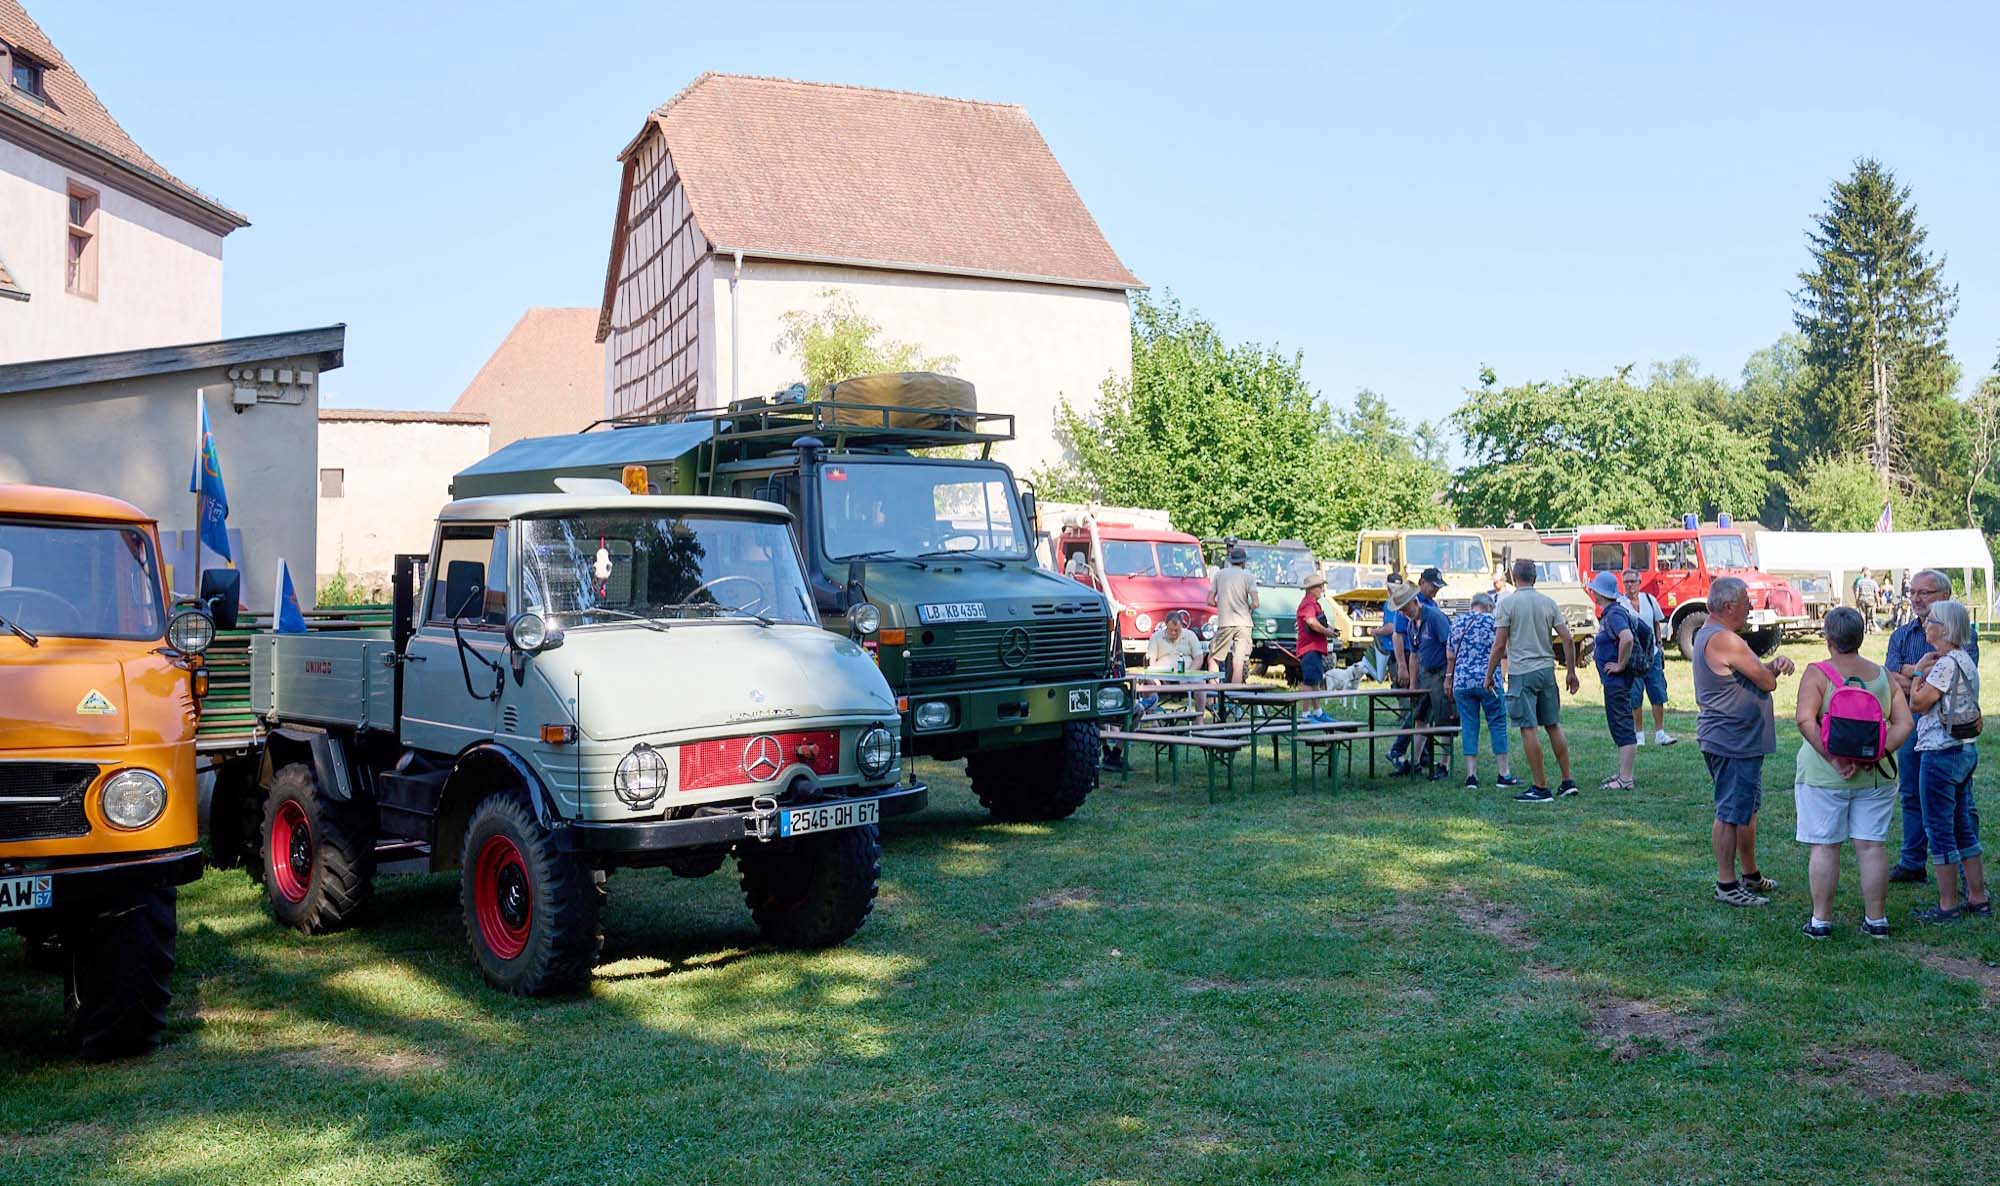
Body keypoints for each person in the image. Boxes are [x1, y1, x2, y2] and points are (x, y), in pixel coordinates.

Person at [1793, 607, 1914, 939]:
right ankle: (1876, 920)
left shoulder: (1817, 673)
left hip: (1823, 775)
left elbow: (1805, 719)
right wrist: (1874, 755)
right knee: (1872, 846)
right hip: (1875, 777)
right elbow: (1905, 723)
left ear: (1828, 638)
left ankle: (1820, 921)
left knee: (1825, 846)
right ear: (1860, 636)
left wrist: (1834, 759)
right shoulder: (1883, 676)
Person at [1695, 576, 1795, 907]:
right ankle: (1726, 884)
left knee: (1746, 810)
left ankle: (1749, 874)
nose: (1751, 607)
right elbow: (1765, 681)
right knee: (1729, 813)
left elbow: (1752, 674)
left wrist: (1771, 666)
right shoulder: (1725, 639)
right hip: (1732, 741)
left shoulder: (1715, 635)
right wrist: (1772, 672)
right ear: (1728, 607)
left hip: (1736, 739)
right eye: (1745, 602)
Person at [1883, 569, 1979, 884]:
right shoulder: (1902, 634)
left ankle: (1957, 887)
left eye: (1925, 592)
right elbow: (1889, 679)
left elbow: (1936, 688)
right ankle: (1912, 862)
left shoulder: (1962, 634)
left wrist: (1913, 676)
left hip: (1946, 736)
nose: (1916, 598)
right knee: (1912, 794)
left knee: (1956, 807)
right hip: (1913, 729)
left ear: (1945, 596)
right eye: (1912, 592)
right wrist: (1916, 673)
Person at [1905, 598, 1988, 923]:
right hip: (1964, 749)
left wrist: (1917, 673)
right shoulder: (1965, 659)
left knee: (1939, 828)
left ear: (1945, 627)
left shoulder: (1943, 665)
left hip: (1941, 753)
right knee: (1962, 826)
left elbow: (1918, 703)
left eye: (1931, 620)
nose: (1926, 624)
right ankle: (1978, 899)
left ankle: (1947, 905)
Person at [1486, 558, 1581, 803]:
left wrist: (1489, 676)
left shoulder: (1508, 604)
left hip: (1521, 672)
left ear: (1513, 577)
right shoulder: (1548, 603)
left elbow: (1498, 646)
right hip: (1546, 670)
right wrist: (1571, 671)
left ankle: (1540, 787)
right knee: (1553, 724)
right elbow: (1568, 639)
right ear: (1535, 578)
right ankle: (1567, 780)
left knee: (1528, 728)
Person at [1446, 590, 1516, 789]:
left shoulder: (1457, 623)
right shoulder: (1493, 622)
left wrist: (1449, 679)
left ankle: (1471, 775)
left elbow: (1450, 655)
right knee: (1497, 723)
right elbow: (1503, 649)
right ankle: (1503, 773)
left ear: (1472, 605)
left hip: (1462, 682)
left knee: (1469, 725)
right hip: (1489, 681)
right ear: (1488, 607)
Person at [1387, 582, 1452, 780]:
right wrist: (1413, 686)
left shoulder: (1434, 618)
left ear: (1415, 602)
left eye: (1406, 608)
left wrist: (1449, 677)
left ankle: (1444, 764)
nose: (1405, 613)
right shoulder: (1409, 624)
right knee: (1419, 718)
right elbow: (1414, 656)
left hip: (1441, 672)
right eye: (1401, 610)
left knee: (1444, 719)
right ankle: (1414, 762)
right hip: (1426, 674)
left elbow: (1450, 648)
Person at [1586, 572, 1639, 790]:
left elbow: (1627, 638)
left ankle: (1626, 778)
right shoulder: (1611, 613)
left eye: (1594, 589)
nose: (1592, 592)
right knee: (1619, 724)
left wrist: (1620, 664)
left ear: (1600, 593)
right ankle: (1623, 773)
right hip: (1614, 682)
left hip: (1617, 681)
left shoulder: (1615, 614)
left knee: (1623, 725)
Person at [1622, 570, 1676, 746]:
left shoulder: (1650, 600)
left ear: (1639, 582)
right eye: (1626, 582)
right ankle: (1639, 735)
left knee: (1657, 693)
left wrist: (1659, 644)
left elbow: (1656, 623)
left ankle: (1660, 733)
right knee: (1635, 696)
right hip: (1633, 658)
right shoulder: (1620, 604)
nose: (1629, 585)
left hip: (1652, 655)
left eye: (1632, 581)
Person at [1208, 545, 1259, 686]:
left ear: (1230, 561)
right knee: (1238, 661)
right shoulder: (1249, 576)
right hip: (1244, 623)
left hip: (1225, 622)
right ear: (1243, 562)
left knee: (1213, 658)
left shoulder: (1220, 575)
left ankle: (1213, 694)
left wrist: (1222, 605)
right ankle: (1235, 694)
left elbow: (1210, 600)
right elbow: (1255, 603)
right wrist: (1247, 607)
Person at [1143, 611, 1207, 715]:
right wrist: (1154, 677)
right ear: (1166, 626)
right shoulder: (1156, 637)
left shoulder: (1190, 635)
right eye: (1170, 630)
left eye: (1176, 630)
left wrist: (1189, 675)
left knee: (1201, 683)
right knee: (1149, 682)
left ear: (1182, 626)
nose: (1173, 633)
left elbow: (1199, 658)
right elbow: (1152, 660)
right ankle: (1153, 719)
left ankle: (1199, 718)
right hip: (1163, 677)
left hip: (1186, 677)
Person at [1295, 571, 1337, 723]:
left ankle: (1318, 712)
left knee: (1315, 680)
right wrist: (1327, 632)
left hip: (1315, 648)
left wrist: (1331, 629)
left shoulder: (1315, 604)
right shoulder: (1307, 604)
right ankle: (1306, 715)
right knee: (1309, 681)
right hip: (1309, 648)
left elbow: (1320, 621)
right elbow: (1311, 622)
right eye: (1319, 587)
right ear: (1311, 589)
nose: (1321, 589)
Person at [1853, 567, 1880, 633]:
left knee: (1862, 615)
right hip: (1871, 600)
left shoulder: (1860, 582)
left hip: (1862, 599)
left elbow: (1857, 592)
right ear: (1869, 575)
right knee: (1870, 615)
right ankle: (1870, 629)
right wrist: (1878, 603)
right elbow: (1876, 593)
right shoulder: (1873, 582)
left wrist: (1856, 601)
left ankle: (1863, 629)